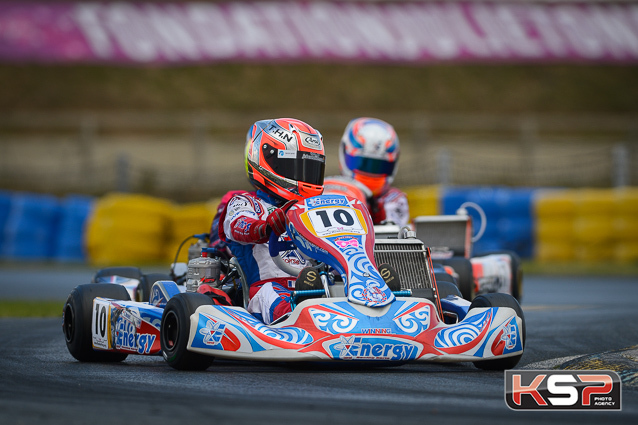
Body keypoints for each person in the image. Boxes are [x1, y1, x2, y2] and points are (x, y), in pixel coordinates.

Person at [216, 118, 325, 325]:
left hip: (317, 283)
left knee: (339, 283)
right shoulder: (245, 203)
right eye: (296, 166)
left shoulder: (315, 209)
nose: (304, 176)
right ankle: (300, 314)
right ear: (267, 160)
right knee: (272, 294)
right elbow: (239, 226)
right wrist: (265, 226)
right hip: (268, 288)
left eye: (310, 168)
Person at [325, 117, 409, 227]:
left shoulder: (394, 201)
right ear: (344, 152)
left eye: (379, 166)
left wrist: (375, 210)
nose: (370, 173)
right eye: (361, 163)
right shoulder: (326, 188)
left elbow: (395, 235)